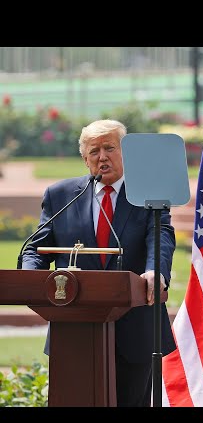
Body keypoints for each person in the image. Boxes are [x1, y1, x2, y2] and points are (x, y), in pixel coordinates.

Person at [21, 119, 177, 407]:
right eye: (94, 151)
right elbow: (37, 249)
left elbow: (161, 235)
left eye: (110, 148)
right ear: (84, 159)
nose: (102, 157)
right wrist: (29, 279)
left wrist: (156, 270)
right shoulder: (61, 196)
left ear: (126, 153)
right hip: (75, 331)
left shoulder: (148, 194)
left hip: (135, 330)